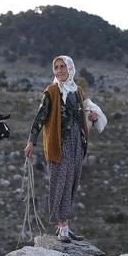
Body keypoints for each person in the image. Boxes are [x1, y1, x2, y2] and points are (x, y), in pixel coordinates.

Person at [24, 55, 98, 243]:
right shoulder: (51, 91)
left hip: (76, 144)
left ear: (70, 68)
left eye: (62, 66)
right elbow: (40, 117)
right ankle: (61, 226)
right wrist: (31, 141)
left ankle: (64, 226)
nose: (59, 70)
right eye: (56, 67)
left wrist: (92, 118)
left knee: (71, 184)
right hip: (59, 144)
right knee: (59, 184)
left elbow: (81, 116)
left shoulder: (78, 92)